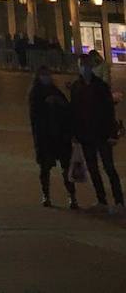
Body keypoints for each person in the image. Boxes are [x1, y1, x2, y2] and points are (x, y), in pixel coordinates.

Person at [70, 51, 123, 211]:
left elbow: (108, 111)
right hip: (86, 135)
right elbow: (74, 111)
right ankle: (102, 200)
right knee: (93, 168)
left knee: (109, 167)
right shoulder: (76, 87)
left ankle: (119, 200)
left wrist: (112, 133)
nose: (84, 69)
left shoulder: (100, 86)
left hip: (102, 134)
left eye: (86, 66)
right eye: (81, 66)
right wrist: (75, 134)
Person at [29, 66, 78, 209]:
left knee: (66, 168)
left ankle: (72, 196)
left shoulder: (56, 92)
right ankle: (46, 195)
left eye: (48, 75)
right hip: (45, 137)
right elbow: (35, 116)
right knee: (45, 168)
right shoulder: (35, 94)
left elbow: (67, 110)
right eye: (44, 75)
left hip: (60, 136)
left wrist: (58, 102)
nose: (47, 78)